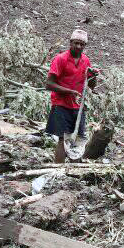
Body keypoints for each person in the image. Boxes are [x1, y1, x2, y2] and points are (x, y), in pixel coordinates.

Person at [45, 29, 98, 163]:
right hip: (61, 104)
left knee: (78, 139)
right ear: (70, 43)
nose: (79, 47)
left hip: (78, 106)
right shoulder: (60, 59)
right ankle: (58, 169)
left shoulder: (86, 61)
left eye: (82, 44)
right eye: (76, 43)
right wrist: (69, 91)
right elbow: (49, 84)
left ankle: (74, 170)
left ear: (85, 46)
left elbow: (91, 85)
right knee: (63, 138)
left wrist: (94, 76)